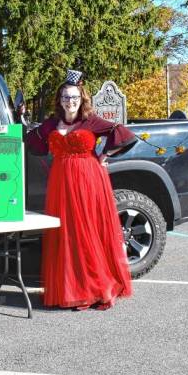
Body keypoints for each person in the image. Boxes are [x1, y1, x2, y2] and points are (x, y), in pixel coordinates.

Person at [25, 69, 137, 310]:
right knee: (67, 234)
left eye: (74, 97)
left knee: (86, 231)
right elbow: (33, 140)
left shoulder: (90, 121)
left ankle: (94, 288)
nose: (70, 101)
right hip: (61, 182)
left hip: (88, 179)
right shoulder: (52, 123)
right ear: (60, 100)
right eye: (65, 97)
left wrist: (105, 153)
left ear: (81, 98)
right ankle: (72, 288)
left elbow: (123, 134)